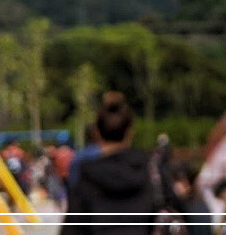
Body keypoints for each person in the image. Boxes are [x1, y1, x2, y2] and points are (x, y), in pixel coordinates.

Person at [61, 92, 177, 234]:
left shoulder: (86, 174)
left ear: (97, 132)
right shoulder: (151, 170)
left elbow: (72, 228)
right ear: (130, 132)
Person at [170, 162, 212, 235]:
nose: (175, 186)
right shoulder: (180, 205)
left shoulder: (196, 209)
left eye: (179, 181)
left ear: (188, 184)